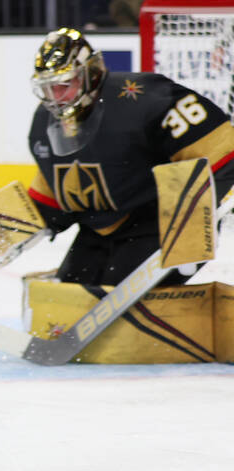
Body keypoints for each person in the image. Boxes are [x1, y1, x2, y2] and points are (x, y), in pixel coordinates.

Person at [23, 28, 234, 286]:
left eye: (64, 85)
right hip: (101, 230)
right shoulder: (44, 121)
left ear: (88, 73)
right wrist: (13, 222)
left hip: (160, 222)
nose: (56, 98)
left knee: (113, 293)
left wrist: (195, 220)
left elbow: (222, 150)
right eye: (48, 88)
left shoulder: (146, 99)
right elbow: (55, 196)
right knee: (70, 294)